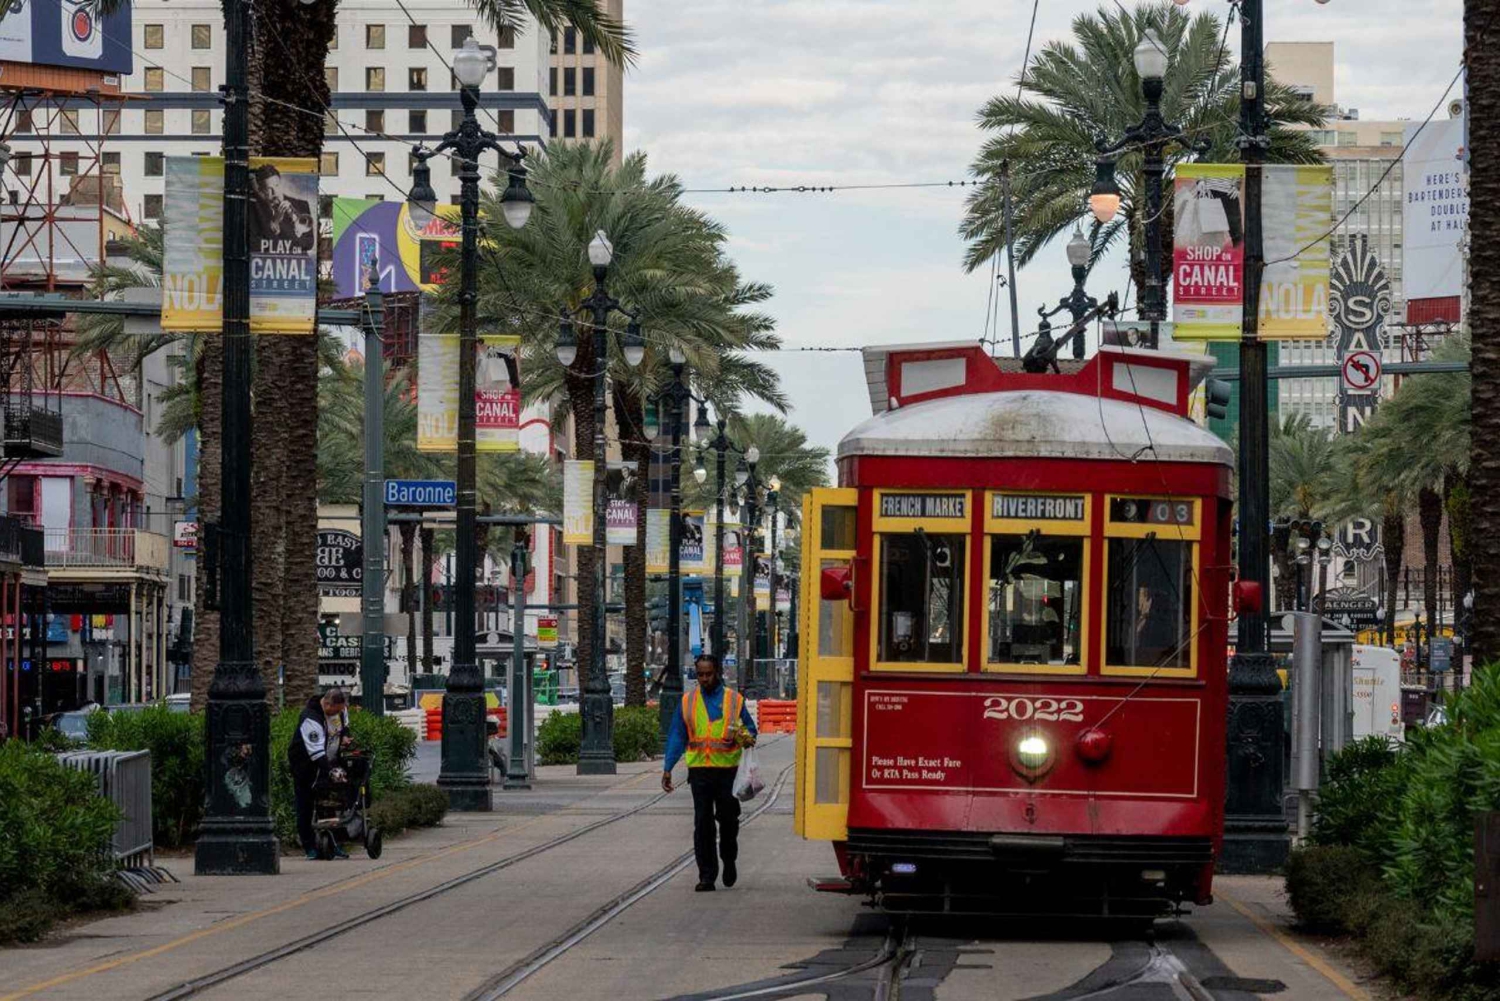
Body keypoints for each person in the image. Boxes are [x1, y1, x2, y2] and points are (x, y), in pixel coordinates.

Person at [662, 654, 757, 892]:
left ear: (717, 673)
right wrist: (668, 767)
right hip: (700, 772)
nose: (704, 679)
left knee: (728, 822)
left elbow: (750, 730)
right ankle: (707, 876)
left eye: (708, 674)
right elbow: (677, 735)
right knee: (703, 824)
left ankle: (729, 859)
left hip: (727, 772)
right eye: (700, 675)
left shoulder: (733, 700)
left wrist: (745, 737)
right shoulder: (688, 702)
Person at [287, 687, 357, 860]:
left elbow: (344, 726)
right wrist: (331, 771)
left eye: (340, 710)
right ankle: (310, 847)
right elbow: (316, 753)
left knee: (331, 804)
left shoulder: (340, 710)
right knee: (305, 806)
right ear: (327, 704)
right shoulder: (310, 719)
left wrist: (345, 736)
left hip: (330, 762)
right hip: (306, 767)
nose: (338, 714)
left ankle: (334, 844)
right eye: (335, 711)